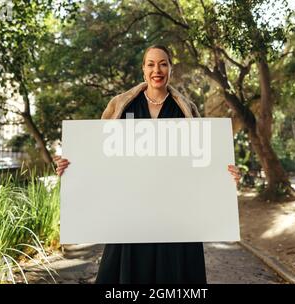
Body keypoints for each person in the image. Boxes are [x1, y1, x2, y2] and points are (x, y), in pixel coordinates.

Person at [54, 45, 241, 284]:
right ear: (143, 70)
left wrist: (225, 177)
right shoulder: (123, 107)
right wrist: (71, 167)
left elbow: (201, 162)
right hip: (132, 214)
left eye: (163, 63)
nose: (157, 69)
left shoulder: (185, 110)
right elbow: (100, 156)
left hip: (176, 217)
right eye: (151, 64)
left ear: (170, 69)